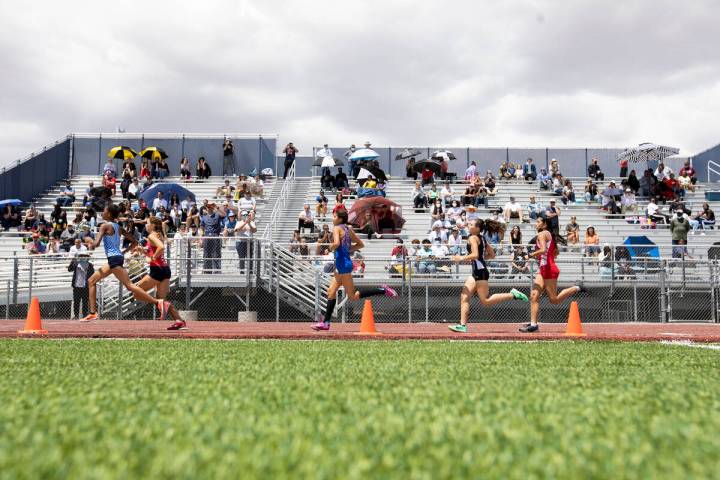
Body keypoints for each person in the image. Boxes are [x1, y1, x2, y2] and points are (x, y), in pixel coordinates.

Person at [80, 204, 173, 321]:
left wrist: (88, 240)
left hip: (114, 259)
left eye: (103, 210)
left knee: (130, 286)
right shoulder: (118, 227)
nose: (102, 213)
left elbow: (95, 244)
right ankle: (93, 313)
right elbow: (134, 241)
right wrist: (123, 252)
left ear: (108, 214)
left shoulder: (104, 226)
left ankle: (158, 302)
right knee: (91, 281)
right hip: (116, 258)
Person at [311, 209, 398, 330]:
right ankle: (326, 322)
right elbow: (360, 245)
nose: (333, 218)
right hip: (342, 264)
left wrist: (329, 248)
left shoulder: (337, 228)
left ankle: (383, 289)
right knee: (333, 292)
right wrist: (346, 249)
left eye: (334, 216)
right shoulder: (348, 230)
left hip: (343, 265)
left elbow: (336, 243)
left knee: (348, 295)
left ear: (340, 219)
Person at [448, 219, 528, 333]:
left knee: (485, 301)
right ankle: (462, 325)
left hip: (480, 272)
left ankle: (513, 294)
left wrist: (461, 258)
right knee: (464, 296)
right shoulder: (482, 238)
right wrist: (477, 260)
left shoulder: (473, 237)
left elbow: (475, 254)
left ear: (478, 228)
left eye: (471, 224)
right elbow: (492, 255)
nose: (468, 225)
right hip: (478, 271)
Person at [521, 216, 583, 333]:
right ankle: (534, 325)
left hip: (549, 270)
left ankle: (576, 287)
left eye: (538, 222)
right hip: (544, 269)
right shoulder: (548, 235)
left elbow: (543, 250)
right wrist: (542, 257)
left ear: (544, 225)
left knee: (554, 300)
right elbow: (555, 252)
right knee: (534, 295)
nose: (536, 223)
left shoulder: (542, 234)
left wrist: (529, 255)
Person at [133, 217, 187, 330]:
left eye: (147, 223)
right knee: (163, 300)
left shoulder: (152, 236)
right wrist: (143, 251)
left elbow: (161, 248)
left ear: (152, 225)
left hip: (157, 270)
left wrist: (152, 257)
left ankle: (158, 302)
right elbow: (154, 250)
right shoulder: (158, 235)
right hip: (164, 270)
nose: (145, 225)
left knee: (136, 292)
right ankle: (179, 321)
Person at [200, 202, 224, 273]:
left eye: (211, 207)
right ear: (206, 208)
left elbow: (224, 215)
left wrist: (217, 207)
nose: (209, 208)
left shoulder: (217, 215)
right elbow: (202, 228)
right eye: (208, 207)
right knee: (206, 253)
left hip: (215, 235)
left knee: (216, 253)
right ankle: (207, 270)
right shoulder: (204, 217)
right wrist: (201, 239)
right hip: (207, 236)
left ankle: (217, 270)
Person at [68, 254, 94, 319]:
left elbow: (92, 275)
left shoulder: (90, 265)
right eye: (81, 256)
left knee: (85, 302)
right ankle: (76, 315)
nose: (83, 258)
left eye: (85, 256)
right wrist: (72, 261)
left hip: (85, 287)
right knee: (76, 301)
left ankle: (85, 315)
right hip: (77, 286)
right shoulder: (76, 264)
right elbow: (69, 269)